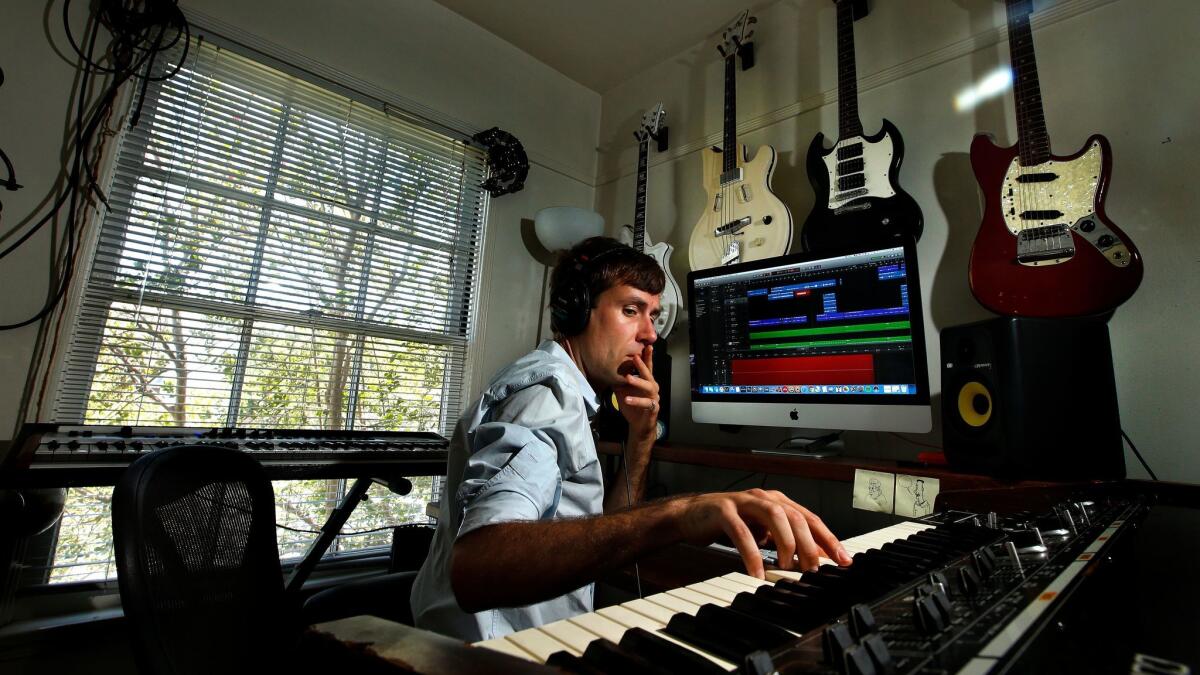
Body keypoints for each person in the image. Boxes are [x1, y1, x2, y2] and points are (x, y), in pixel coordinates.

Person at [409, 236, 851, 641]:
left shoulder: (566, 391)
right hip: (487, 652)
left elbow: (603, 533)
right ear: (576, 310)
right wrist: (677, 513)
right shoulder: (546, 400)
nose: (650, 334)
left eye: (653, 315)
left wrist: (641, 439)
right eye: (630, 310)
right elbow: (478, 567)